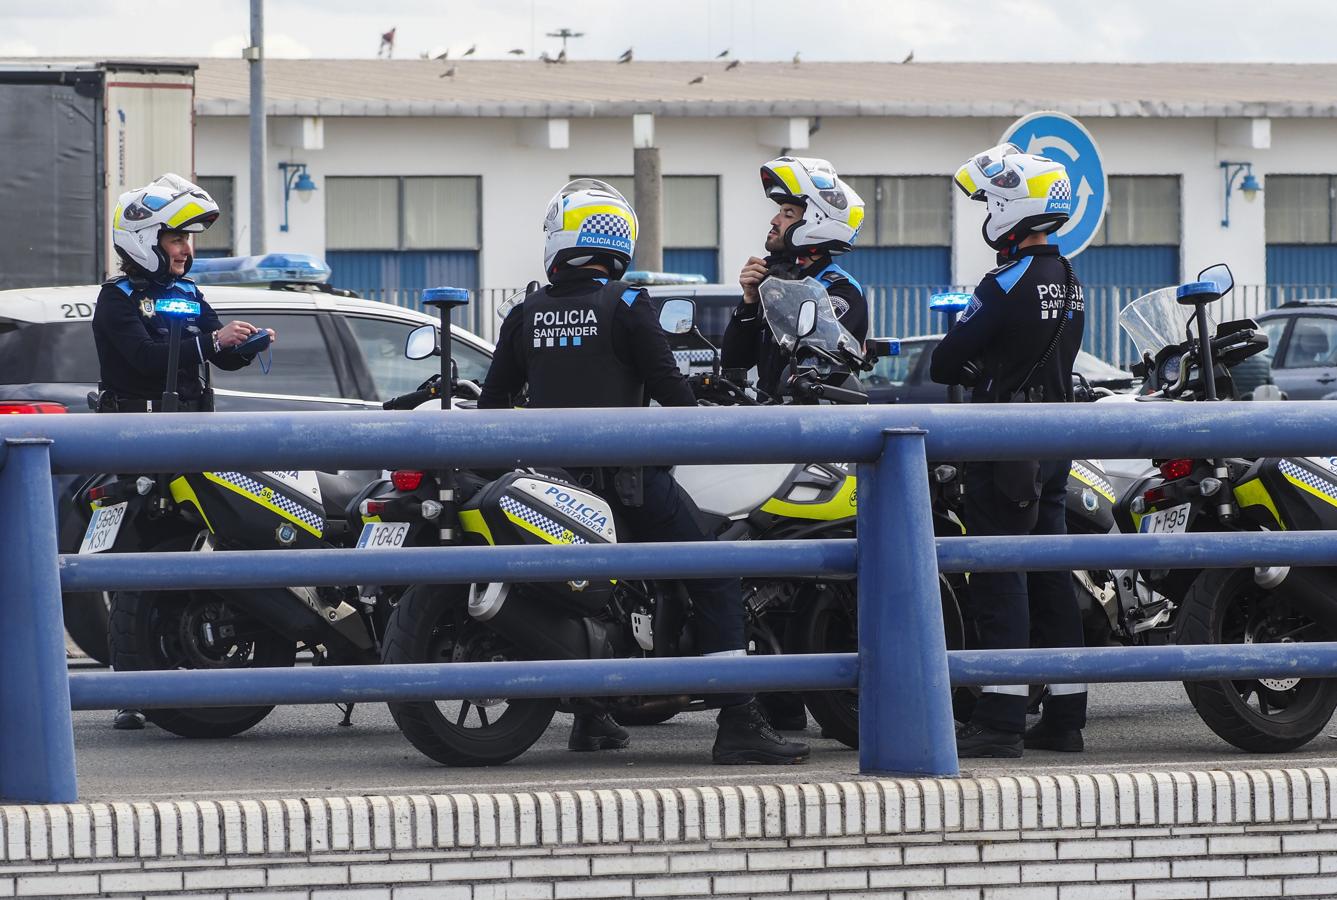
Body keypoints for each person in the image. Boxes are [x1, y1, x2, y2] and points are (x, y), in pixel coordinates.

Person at [478, 178, 809, 765]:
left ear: (559, 238)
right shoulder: (628, 304)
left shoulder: (525, 312)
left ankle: (594, 720)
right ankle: (738, 718)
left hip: (553, 484)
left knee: (589, 596)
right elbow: (673, 398)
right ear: (618, 242)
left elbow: (493, 403)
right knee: (715, 569)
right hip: (627, 482)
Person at [93, 173, 274, 730]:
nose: (186, 251)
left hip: (194, 442)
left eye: (190, 240)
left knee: (204, 543)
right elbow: (146, 360)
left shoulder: (190, 295)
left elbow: (216, 355)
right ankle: (131, 690)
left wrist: (244, 346)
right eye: (177, 239)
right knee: (136, 562)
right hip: (138, 446)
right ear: (145, 239)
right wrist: (209, 342)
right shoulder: (116, 298)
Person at [928, 143, 1089, 758]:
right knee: (1052, 575)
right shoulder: (1072, 280)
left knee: (1000, 576)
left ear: (1010, 209)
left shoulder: (1005, 281)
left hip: (1006, 448)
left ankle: (999, 717)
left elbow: (946, 359)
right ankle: (1067, 716)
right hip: (1056, 443)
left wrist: (975, 360)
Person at [722, 157, 868, 400]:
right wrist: (748, 302)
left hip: (822, 418)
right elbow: (734, 362)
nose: (774, 221)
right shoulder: (772, 279)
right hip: (770, 413)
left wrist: (779, 294)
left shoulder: (841, 288)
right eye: (779, 212)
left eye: (787, 213)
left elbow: (812, 350)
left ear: (817, 223)